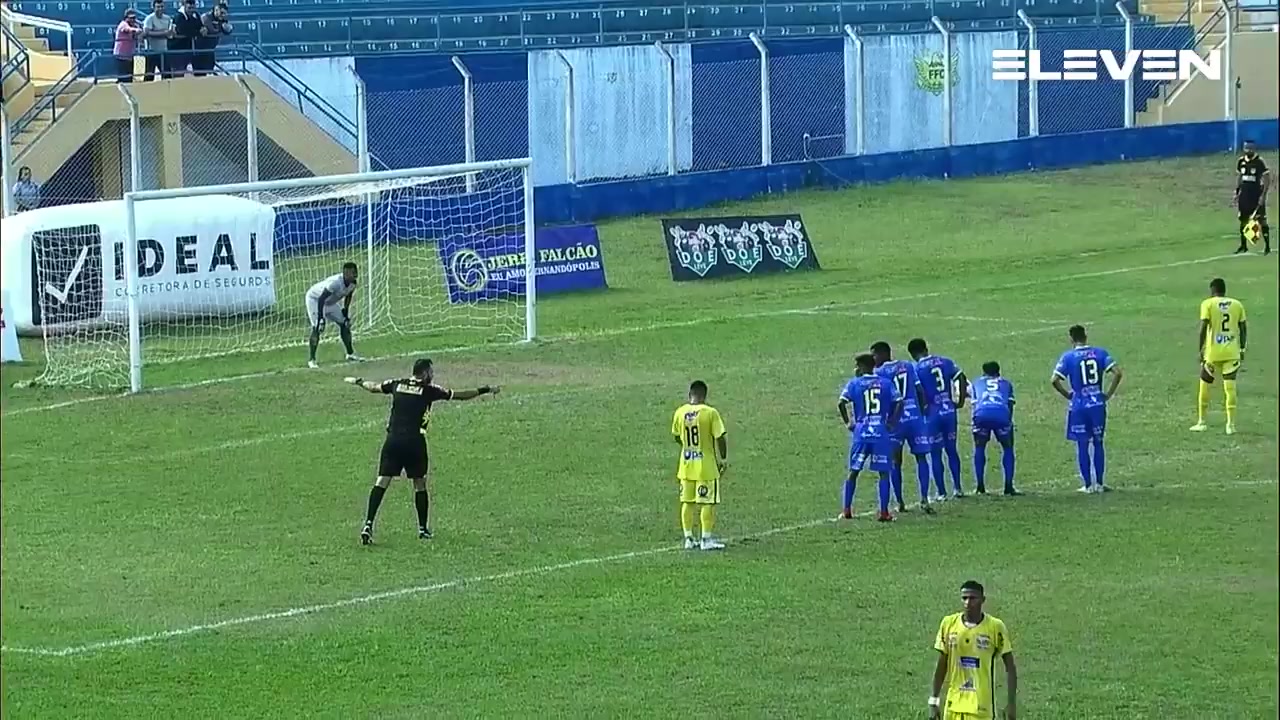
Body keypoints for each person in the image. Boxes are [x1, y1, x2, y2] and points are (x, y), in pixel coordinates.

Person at [344, 359, 499, 544]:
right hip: (414, 442)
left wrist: (359, 381)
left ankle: (368, 524)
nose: (432, 375)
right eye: (431, 372)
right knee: (419, 483)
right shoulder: (429, 390)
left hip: (392, 440)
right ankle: (423, 529)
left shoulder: (397, 383)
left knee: (382, 481)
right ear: (425, 373)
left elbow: (374, 387)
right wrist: (485, 389)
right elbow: (459, 395)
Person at [929, 580, 1018, 720]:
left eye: (973, 598)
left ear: (982, 600)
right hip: (953, 708)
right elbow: (941, 665)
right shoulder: (948, 624)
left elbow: (1010, 667)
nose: (967, 603)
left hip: (981, 709)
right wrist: (933, 700)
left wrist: (1011, 704)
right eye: (964, 598)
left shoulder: (995, 627)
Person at [1052, 325, 1123, 493]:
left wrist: (1068, 395)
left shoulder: (1068, 357)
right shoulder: (1100, 353)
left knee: (1082, 445)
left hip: (1079, 406)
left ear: (1071, 339)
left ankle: (1088, 485)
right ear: (1086, 336)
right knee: (1098, 443)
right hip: (1097, 404)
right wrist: (1108, 394)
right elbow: (1118, 373)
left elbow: (1054, 380)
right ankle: (1099, 483)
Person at [871, 341, 935, 514]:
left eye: (874, 355)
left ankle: (900, 502)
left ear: (883, 354)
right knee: (921, 458)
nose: (873, 359)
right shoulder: (907, 365)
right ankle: (924, 498)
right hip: (914, 418)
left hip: (896, 421)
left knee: (895, 462)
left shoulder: (880, 372)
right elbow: (919, 390)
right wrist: (921, 414)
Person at [837, 352, 901, 522]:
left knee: (853, 471)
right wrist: (892, 422)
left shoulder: (855, 384)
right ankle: (884, 512)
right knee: (884, 473)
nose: (856, 368)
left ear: (864, 366)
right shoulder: (886, 383)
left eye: (858, 365)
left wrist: (848, 422)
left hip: (862, 432)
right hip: (880, 432)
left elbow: (841, 402)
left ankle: (847, 510)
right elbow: (899, 401)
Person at [671, 380, 728, 550]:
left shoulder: (680, 412)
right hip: (706, 467)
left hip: (686, 465)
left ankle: (688, 538)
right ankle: (706, 539)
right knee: (707, 502)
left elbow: (676, 436)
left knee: (687, 502)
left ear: (690, 395)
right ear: (704, 395)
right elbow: (719, 437)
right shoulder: (710, 413)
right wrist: (723, 458)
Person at [910, 338, 968, 499]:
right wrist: (960, 400)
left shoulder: (916, 368)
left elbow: (918, 391)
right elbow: (961, 377)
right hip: (949, 411)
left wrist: (922, 409)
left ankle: (941, 492)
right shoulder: (945, 361)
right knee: (952, 450)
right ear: (926, 348)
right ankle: (958, 488)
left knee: (935, 453)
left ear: (913, 354)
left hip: (932, 415)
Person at [1192, 278, 1247, 435]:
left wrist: (1200, 349)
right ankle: (1230, 425)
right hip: (1231, 352)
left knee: (1205, 383)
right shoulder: (1237, 305)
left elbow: (1203, 327)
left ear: (1212, 290)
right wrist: (1242, 349)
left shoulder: (1208, 304)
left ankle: (1202, 422)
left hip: (1213, 353)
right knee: (1230, 388)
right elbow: (1243, 328)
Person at [970, 362, 1018, 496]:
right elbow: (1010, 404)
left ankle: (980, 486)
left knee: (979, 448)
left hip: (981, 415)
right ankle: (1008, 487)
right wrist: (1008, 421)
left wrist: (976, 421)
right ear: (999, 372)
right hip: (1001, 415)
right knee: (1008, 448)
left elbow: (974, 404)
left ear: (983, 372)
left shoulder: (977, 383)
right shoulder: (1006, 383)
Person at [305, 262, 363, 368]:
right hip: (316, 300)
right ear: (345, 273)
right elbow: (322, 298)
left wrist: (345, 312)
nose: (355, 275)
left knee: (344, 324)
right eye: (352, 272)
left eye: (356, 272)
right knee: (317, 328)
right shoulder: (335, 283)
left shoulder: (353, 283)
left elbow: (348, 296)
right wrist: (321, 318)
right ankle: (312, 359)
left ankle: (350, 354)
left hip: (330, 303)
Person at [1234, 139, 1271, 255]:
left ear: (1254, 148)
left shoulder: (1259, 162)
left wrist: (1263, 195)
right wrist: (1237, 192)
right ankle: (1244, 246)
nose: (1248, 150)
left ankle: (1267, 247)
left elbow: (1267, 179)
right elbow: (1240, 177)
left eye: (1250, 148)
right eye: (1246, 148)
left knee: (1261, 220)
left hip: (1256, 196)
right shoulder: (1241, 161)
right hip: (1244, 196)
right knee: (1244, 220)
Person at [141, 0, 175, 81]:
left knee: (167, 75)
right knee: (149, 75)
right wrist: (164, 33)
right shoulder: (149, 18)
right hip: (151, 52)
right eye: (158, 7)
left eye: (162, 7)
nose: (160, 9)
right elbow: (147, 32)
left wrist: (171, 33)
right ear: (153, 8)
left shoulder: (167, 18)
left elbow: (170, 33)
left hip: (163, 51)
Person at [113, 8, 144, 83]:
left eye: (134, 18)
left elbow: (139, 38)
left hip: (129, 56)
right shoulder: (123, 24)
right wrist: (136, 30)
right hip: (121, 56)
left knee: (129, 78)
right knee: (123, 78)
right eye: (130, 18)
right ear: (126, 18)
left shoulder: (135, 25)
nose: (132, 20)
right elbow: (127, 29)